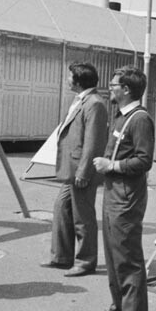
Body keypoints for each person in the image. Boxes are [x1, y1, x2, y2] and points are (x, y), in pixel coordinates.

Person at [91, 65, 154, 311]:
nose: (110, 88)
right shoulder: (122, 116)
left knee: (127, 259)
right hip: (113, 193)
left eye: (114, 84)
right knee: (113, 255)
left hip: (126, 198)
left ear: (126, 89)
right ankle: (119, 308)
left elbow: (144, 160)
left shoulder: (139, 119)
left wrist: (111, 164)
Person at [42, 61, 108, 276]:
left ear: (78, 80)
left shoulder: (94, 103)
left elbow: (94, 141)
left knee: (83, 217)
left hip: (81, 170)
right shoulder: (81, 100)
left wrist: (84, 171)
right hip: (72, 168)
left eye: (69, 76)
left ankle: (85, 261)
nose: (67, 79)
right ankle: (62, 256)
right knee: (61, 209)